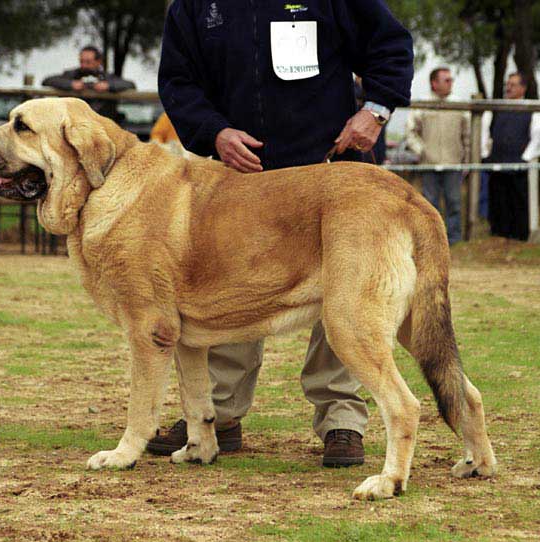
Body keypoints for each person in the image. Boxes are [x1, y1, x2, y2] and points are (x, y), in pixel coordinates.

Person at [151, 0, 414, 467]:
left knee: (345, 298)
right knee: (228, 291)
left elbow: (389, 46)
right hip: (239, 179)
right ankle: (218, 415)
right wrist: (214, 132)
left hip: (330, 171)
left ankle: (342, 420)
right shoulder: (193, 5)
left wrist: (374, 112)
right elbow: (178, 81)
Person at [405, 67, 470, 245]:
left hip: (453, 164)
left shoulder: (460, 106)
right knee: (429, 204)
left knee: (454, 203)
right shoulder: (422, 105)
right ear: (434, 83)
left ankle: (454, 240)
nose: (451, 83)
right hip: (429, 165)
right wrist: (422, 151)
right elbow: (411, 132)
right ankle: (431, 240)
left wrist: (466, 160)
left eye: (451, 80)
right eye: (446, 80)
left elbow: (467, 136)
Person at [482, 72, 540, 241]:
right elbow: (486, 134)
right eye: (508, 84)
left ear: (523, 88)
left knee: (519, 203)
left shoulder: (532, 109)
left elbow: (537, 136)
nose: (509, 87)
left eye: (513, 84)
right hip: (497, 164)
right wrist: (487, 156)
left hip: (519, 167)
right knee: (498, 203)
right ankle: (499, 236)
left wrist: (525, 158)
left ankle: (519, 238)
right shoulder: (497, 108)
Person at [42, 45, 136, 121]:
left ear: (98, 62)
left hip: (102, 126)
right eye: (81, 61)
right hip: (74, 125)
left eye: (88, 62)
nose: (84, 65)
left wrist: (108, 86)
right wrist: (71, 84)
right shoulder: (71, 75)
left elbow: (130, 84)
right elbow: (47, 81)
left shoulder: (108, 77)